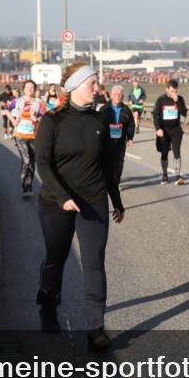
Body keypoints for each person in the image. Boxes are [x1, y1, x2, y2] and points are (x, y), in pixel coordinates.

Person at [35, 63, 125, 352]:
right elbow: (43, 164)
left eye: (97, 84)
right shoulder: (52, 121)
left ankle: (95, 329)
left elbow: (108, 165)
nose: (97, 89)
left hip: (93, 201)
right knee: (55, 258)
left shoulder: (100, 120)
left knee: (94, 263)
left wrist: (116, 199)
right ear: (74, 87)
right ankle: (48, 303)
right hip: (56, 202)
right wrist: (62, 197)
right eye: (92, 84)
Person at [6, 80, 45, 196]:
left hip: (34, 136)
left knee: (32, 163)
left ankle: (29, 186)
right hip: (20, 136)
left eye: (32, 87)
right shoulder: (17, 101)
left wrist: (36, 118)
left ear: (35, 90)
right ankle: (24, 185)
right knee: (26, 160)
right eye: (27, 87)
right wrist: (13, 121)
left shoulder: (40, 103)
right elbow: (7, 110)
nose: (29, 89)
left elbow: (47, 117)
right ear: (23, 89)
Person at [152, 79, 188, 185]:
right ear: (167, 89)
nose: (173, 93)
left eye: (175, 91)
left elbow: (184, 113)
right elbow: (155, 115)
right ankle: (165, 176)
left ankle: (177, 175)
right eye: (172, 91)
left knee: (177, 152)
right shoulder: (161, 100)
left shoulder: (179, 99)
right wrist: (158, 128)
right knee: (164, 153)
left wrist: (177, 101)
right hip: (164, 131)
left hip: (176, 130)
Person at [101, 84, 135, 186]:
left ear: (122, 96)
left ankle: (116, 182)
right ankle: (106, 181)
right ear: (111, 95)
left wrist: (130, 137)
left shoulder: (126, 110)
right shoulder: (104, 109)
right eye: (115, 94)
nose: (117, 96)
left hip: (120, 141)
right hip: (107, 140)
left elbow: (131, 124)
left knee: (119, 162)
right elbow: (98, 124)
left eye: (119, 94)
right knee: (107, 161)